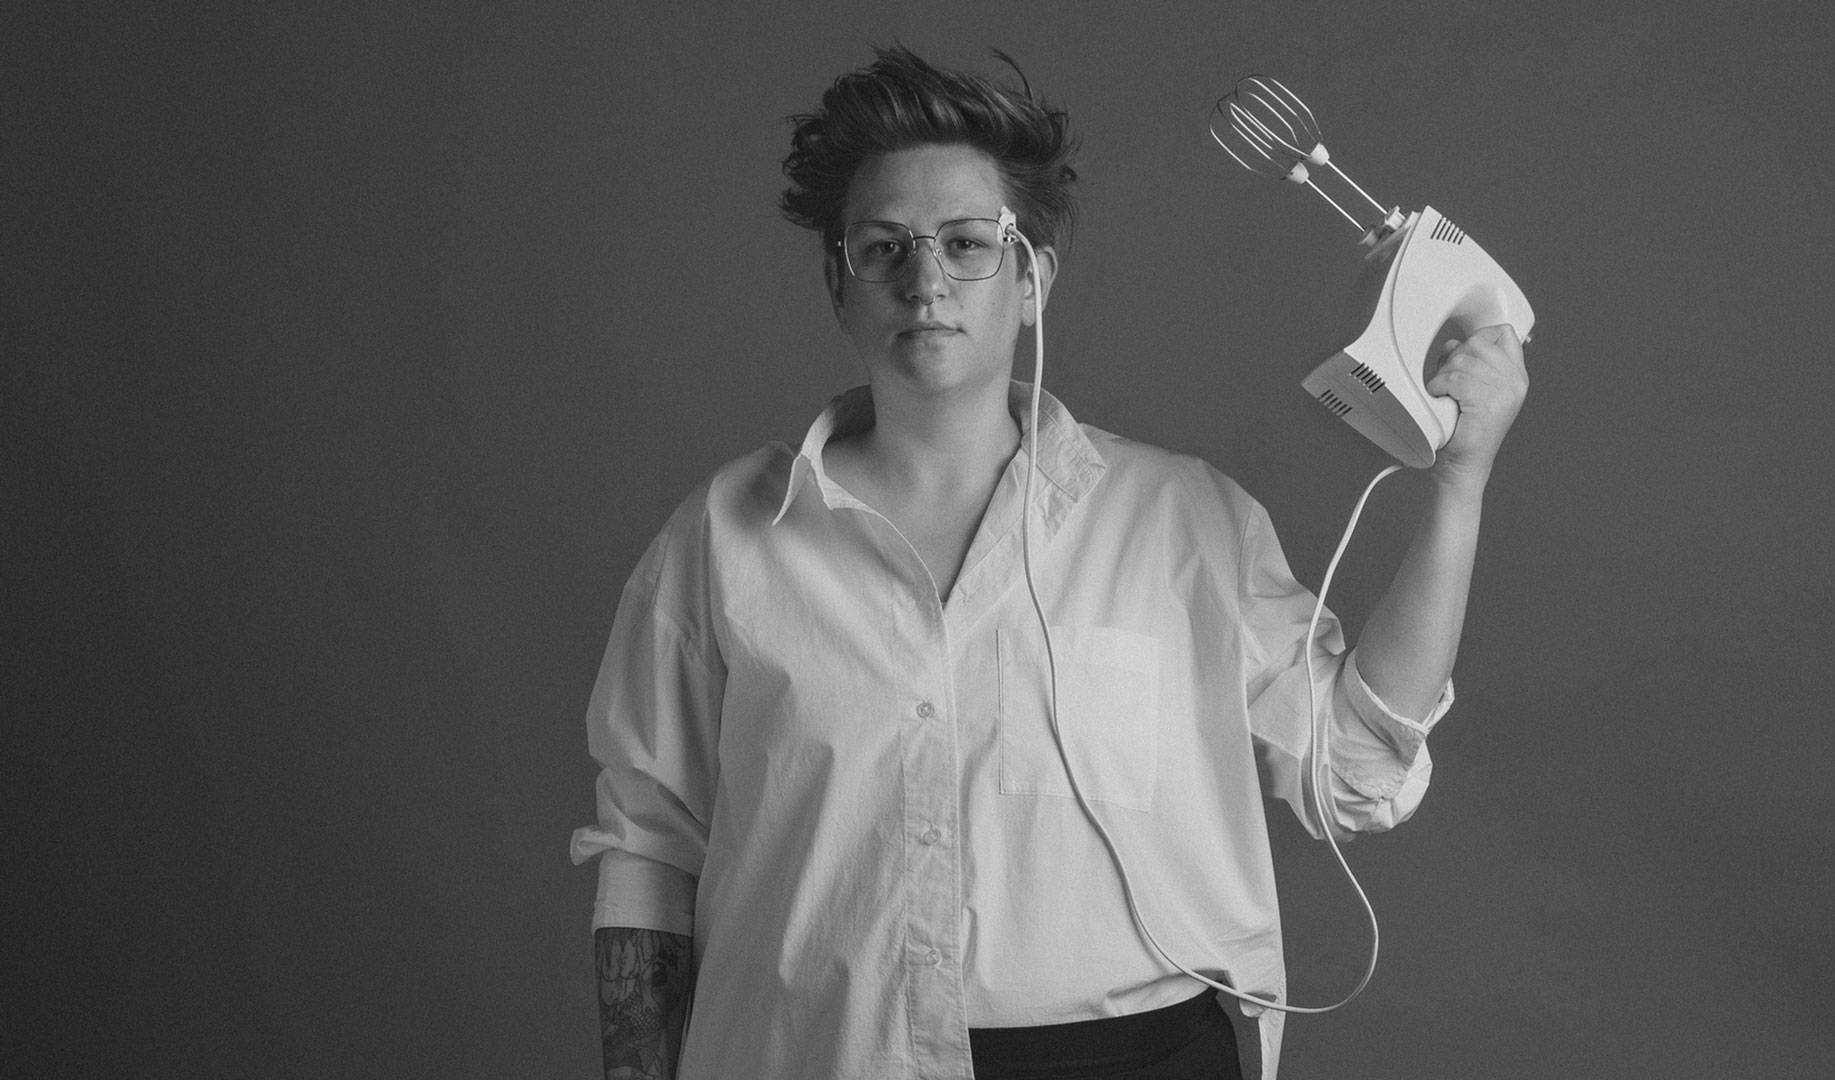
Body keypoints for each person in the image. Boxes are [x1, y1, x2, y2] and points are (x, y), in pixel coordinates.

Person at [570, 46, 1527, 1080]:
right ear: (840, 285)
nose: (926, 282)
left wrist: (1458, 488)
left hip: (1143, 1055)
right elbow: (651, 847)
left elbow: (1354, 770)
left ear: (1033, 281)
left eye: (968, 243)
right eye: (884, 247)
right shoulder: (722, 538)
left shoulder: (1184, 521)